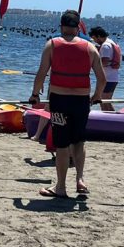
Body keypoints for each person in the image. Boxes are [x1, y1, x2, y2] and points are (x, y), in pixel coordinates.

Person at [29, 10, 105, 198]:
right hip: (81, 102)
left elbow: (41, 74)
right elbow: (102, 79)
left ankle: (61, 187)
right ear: (78, 27)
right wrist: (96, 96)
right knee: (79, 141)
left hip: (60, 101)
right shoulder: (90, 48)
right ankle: (80, 179)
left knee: (62, 145)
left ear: (61, 26)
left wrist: (35, 94)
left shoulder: (52, 45)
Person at [88, 26, 122, 111]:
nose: (94, 41)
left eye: (94, 38)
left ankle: (112, 121)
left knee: (103, 102)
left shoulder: (105, 46)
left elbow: (105, 61)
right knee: (106, 102)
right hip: (113, 78)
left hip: (108, 78)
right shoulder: (111, 42)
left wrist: (92, 66)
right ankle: (112, 120)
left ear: (98, 36)